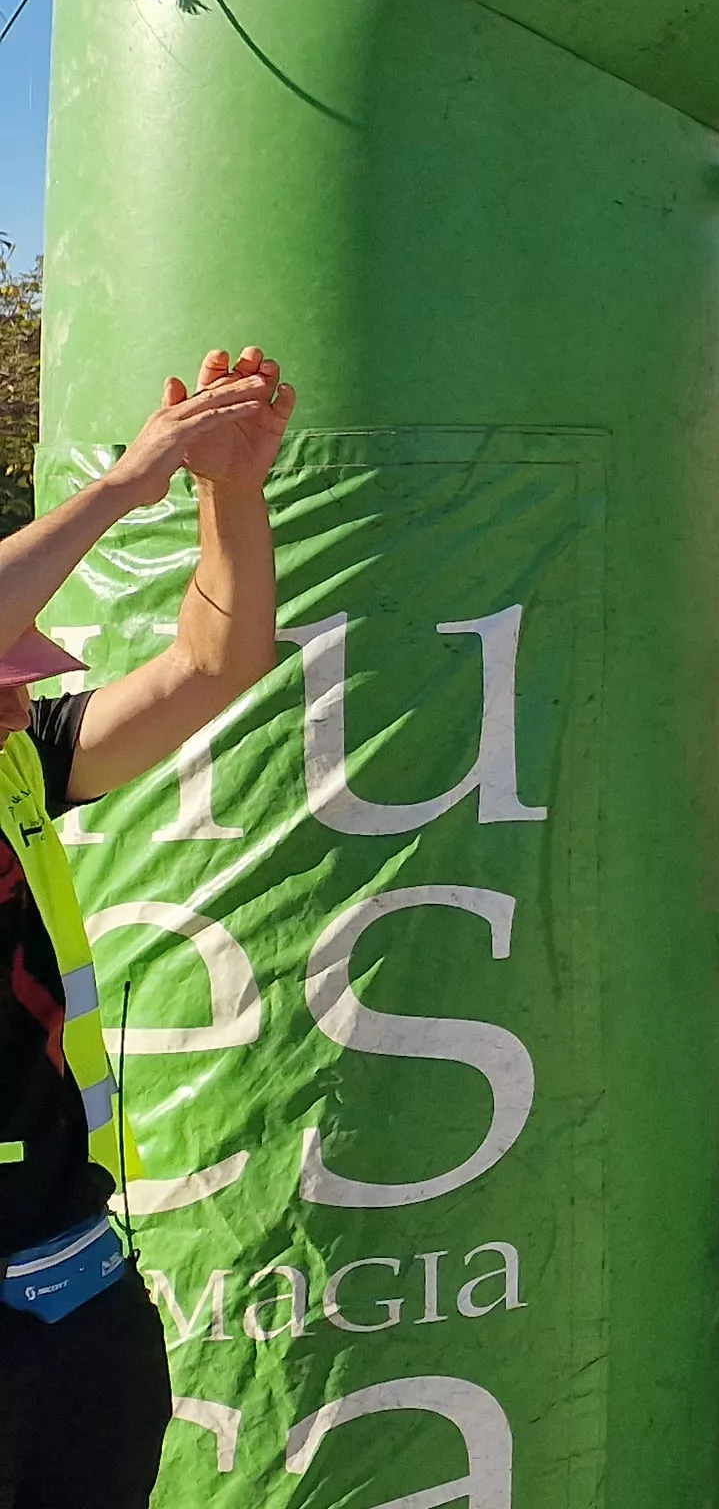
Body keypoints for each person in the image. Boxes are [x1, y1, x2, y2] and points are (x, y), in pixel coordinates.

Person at [0, 352, 288, 1509]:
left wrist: (229, 493)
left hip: (66, 1291)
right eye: (7, 673)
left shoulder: (21, 762)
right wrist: (128, 484)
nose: (23, 694)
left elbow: (215, 665)